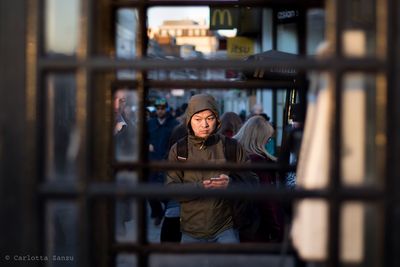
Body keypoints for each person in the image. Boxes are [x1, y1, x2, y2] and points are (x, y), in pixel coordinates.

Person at [166, 94, 259, 244]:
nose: (204, 125)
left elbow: (253, 182)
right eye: (198, 119)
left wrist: (231, 183)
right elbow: (171, 189)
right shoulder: (179, 150)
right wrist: (200, 187)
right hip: (190, 231)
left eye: (209, 118)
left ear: (217, 119)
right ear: (189, 120)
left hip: (226, 228)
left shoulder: (232, 147)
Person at [233, 116, 284, 242]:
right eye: (268, 138)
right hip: (256, 228)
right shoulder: (258, 162)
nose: (269, 141)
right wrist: (278, 230)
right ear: (261, 139)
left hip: (233, 226)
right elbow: (267, 201)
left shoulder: (234, 155)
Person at [147, 97, 179, 225]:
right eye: (158, 108)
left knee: (166, 193)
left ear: (166, 109)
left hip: (168, 162)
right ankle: (157, 213)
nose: (160, 111)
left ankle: (165, 213)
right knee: (150, 192)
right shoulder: (150, 123)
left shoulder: (174, 124)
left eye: (162, 108)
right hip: (153, 161)